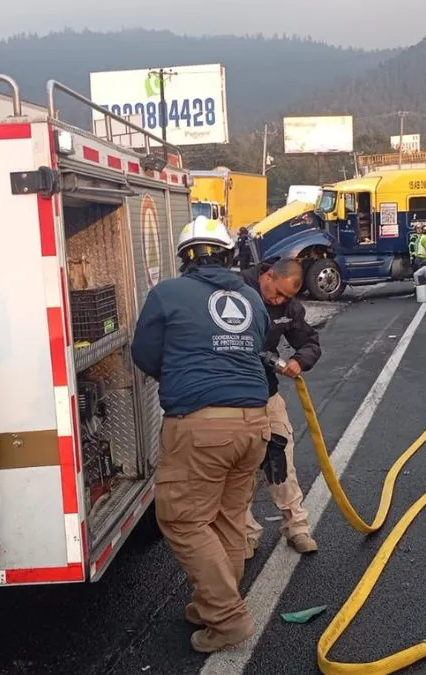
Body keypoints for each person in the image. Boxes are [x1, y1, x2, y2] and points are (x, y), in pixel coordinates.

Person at [131, 216, 283, 654]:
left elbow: (146, 353)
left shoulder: (168, 293)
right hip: (254, 421)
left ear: (184, 258)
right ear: (229, 255)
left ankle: (227, 615)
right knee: (227, 517)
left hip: (200, 424)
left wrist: (183, 376)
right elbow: (255, 346)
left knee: (181, 518)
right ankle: (212, 601)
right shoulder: (251, 297)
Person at [240, 257, 322, 557]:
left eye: (286, 297)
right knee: (241, 470)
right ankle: (245, 534)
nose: (278, 300)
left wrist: (299, 360)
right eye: (276, 293)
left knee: (281, 461)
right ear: (267, 275)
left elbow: (310, 341)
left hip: (267, 394)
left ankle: (296, 527)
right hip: (233, 399)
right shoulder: (234, 291)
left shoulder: (287, 306)